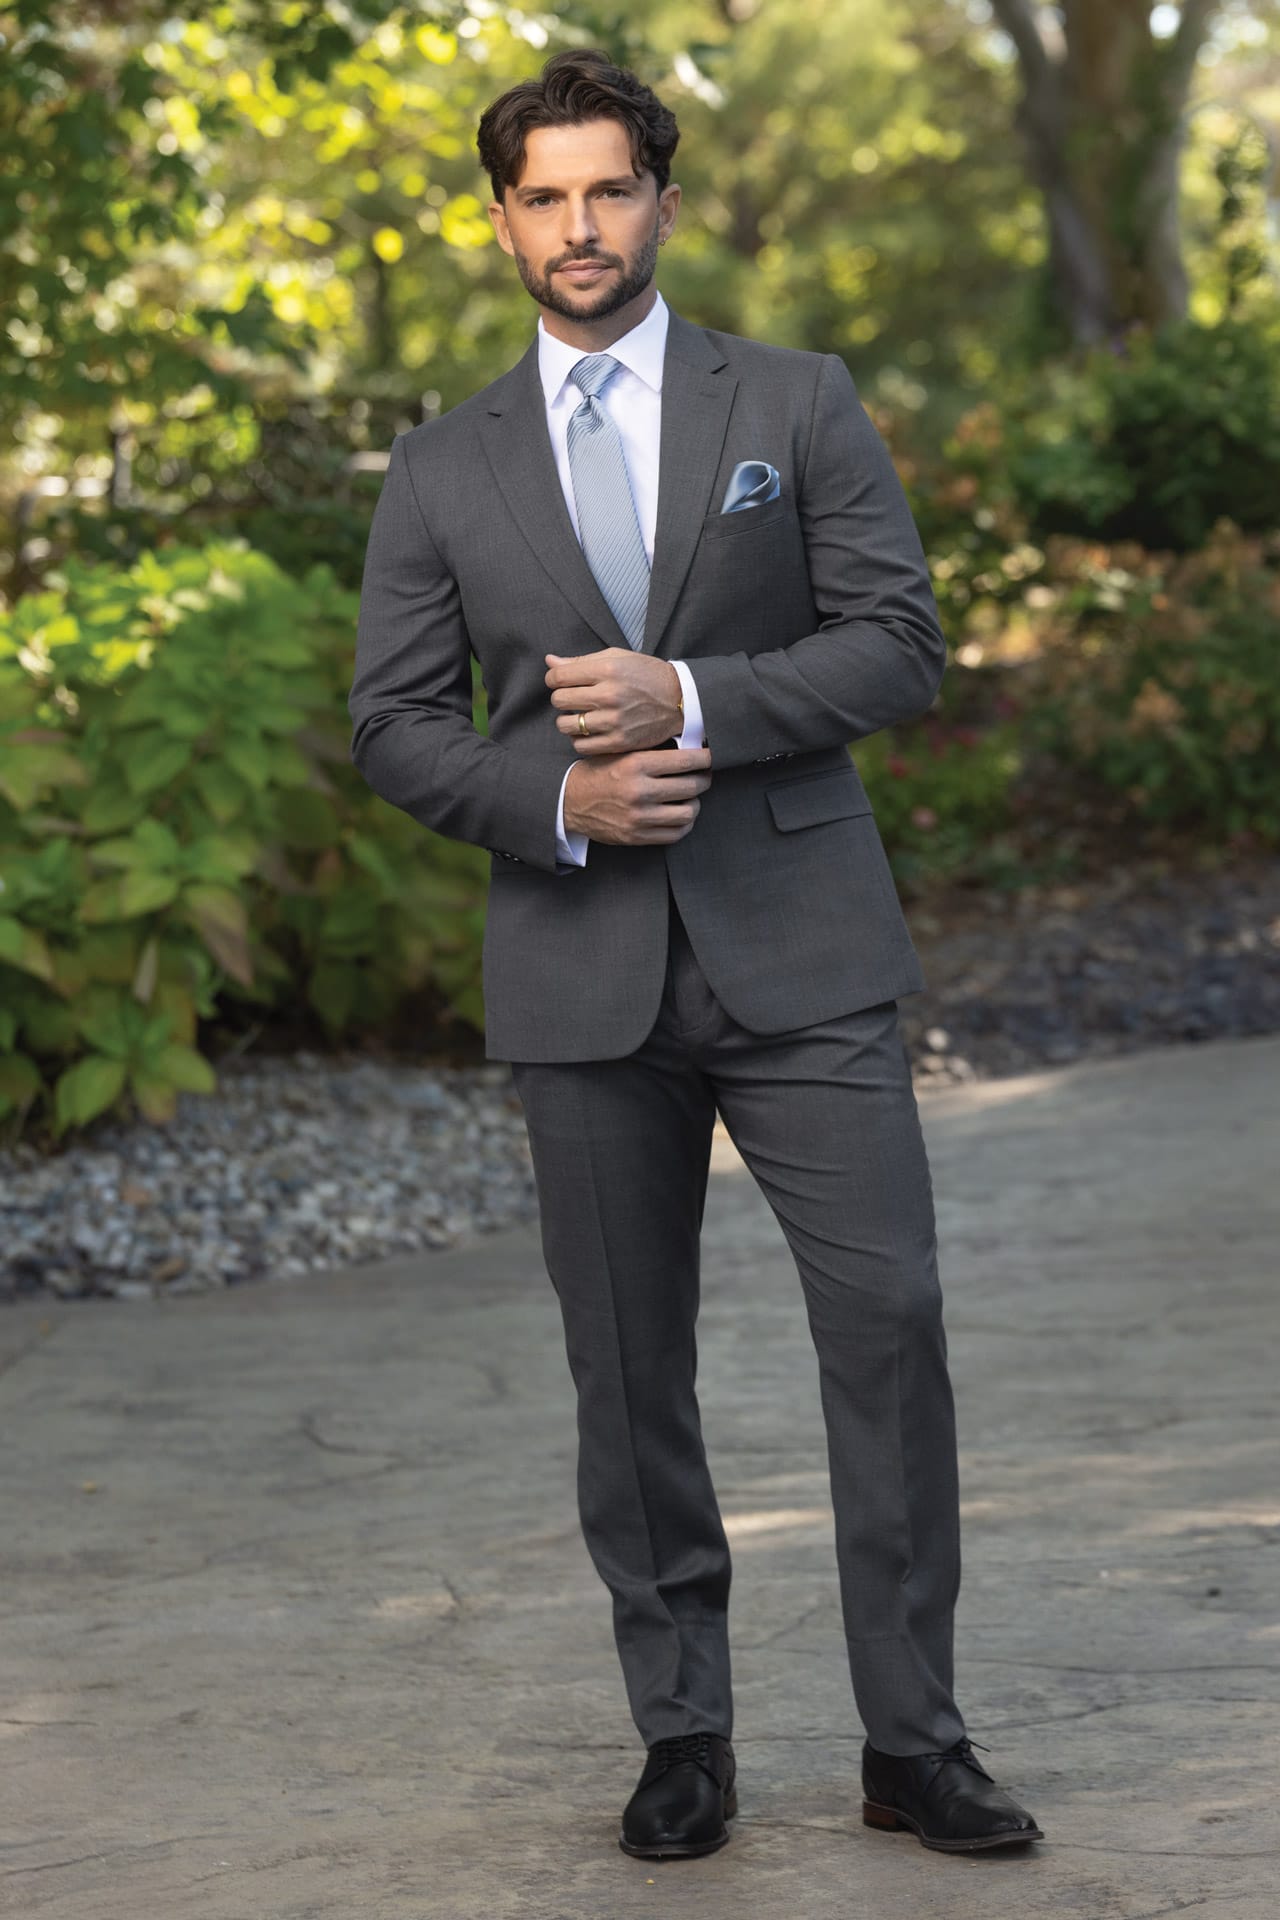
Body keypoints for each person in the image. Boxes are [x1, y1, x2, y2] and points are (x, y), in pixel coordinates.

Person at [348, 45, 1043, 1863]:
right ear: (503, 222)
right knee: (628, 1366)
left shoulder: (795, 401)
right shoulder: (440, 467)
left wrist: (694, 700)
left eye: (609, 188)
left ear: (663, 200)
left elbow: (898, 642)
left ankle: (915, 1743)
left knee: (889, 1318)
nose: (578, 225)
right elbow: (395, 726)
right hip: (577, 962)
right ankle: (684, 1735)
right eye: (544, 197)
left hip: (803, 948)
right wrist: (562, 800)